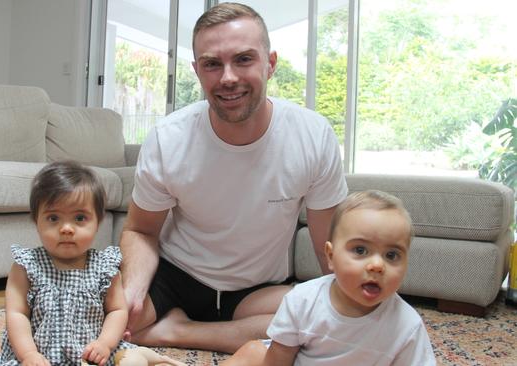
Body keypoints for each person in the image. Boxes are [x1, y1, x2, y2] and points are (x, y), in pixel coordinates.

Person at [120, 2, 348, 353]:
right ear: (197, 71)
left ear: (270, 64)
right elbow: (141, 230)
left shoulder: (312, 135)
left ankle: (175, 333)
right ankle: (185, 325)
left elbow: (327, 249)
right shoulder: (169, 137)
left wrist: (344, 310)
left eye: (243, 59)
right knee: (108, 318)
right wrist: (132, 292)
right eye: (213, 64)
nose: (228, 77)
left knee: (318, 319)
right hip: (179, 276)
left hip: (257, 291)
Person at [221, 190, 437, 366]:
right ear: (331, 257)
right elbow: (278, 361)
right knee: (252, 354)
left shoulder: (407, 326)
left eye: (392, 255)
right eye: (360, 250)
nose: (377, 266)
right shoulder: (303, 300)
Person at [0, 161, 134, 366]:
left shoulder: (105, 267)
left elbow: (117, 310)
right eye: (53, 218)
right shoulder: (27, 266)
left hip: (91, 356)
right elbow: (16, 314)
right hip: (40, 357)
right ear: (36, 221)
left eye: (80, 218)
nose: (66, 229)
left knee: (132, 359)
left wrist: (105, 344)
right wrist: (28, 355)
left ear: (98, 222)